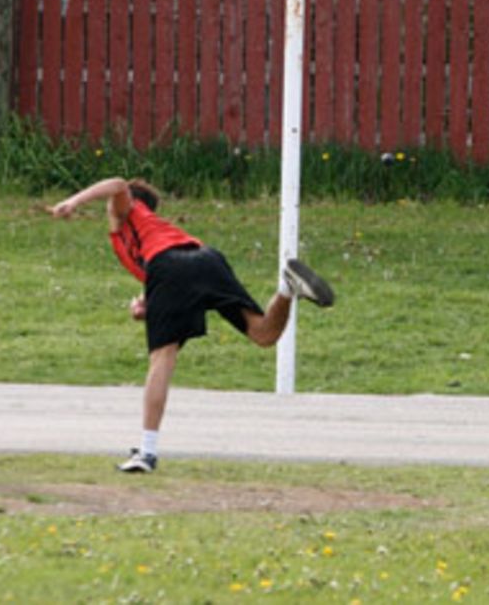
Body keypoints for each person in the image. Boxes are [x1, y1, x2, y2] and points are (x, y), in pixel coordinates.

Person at [50, 177, 334, 473]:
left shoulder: (126, 214)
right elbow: (168, 280)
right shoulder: (148, 232)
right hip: (206, 259)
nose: (109, 207)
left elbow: (118, 184)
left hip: (170, 266)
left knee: (163, 356)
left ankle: (146, 452)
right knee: (263, 333)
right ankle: (287, 288)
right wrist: (149, 306)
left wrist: (73, 201)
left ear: (133, 203)